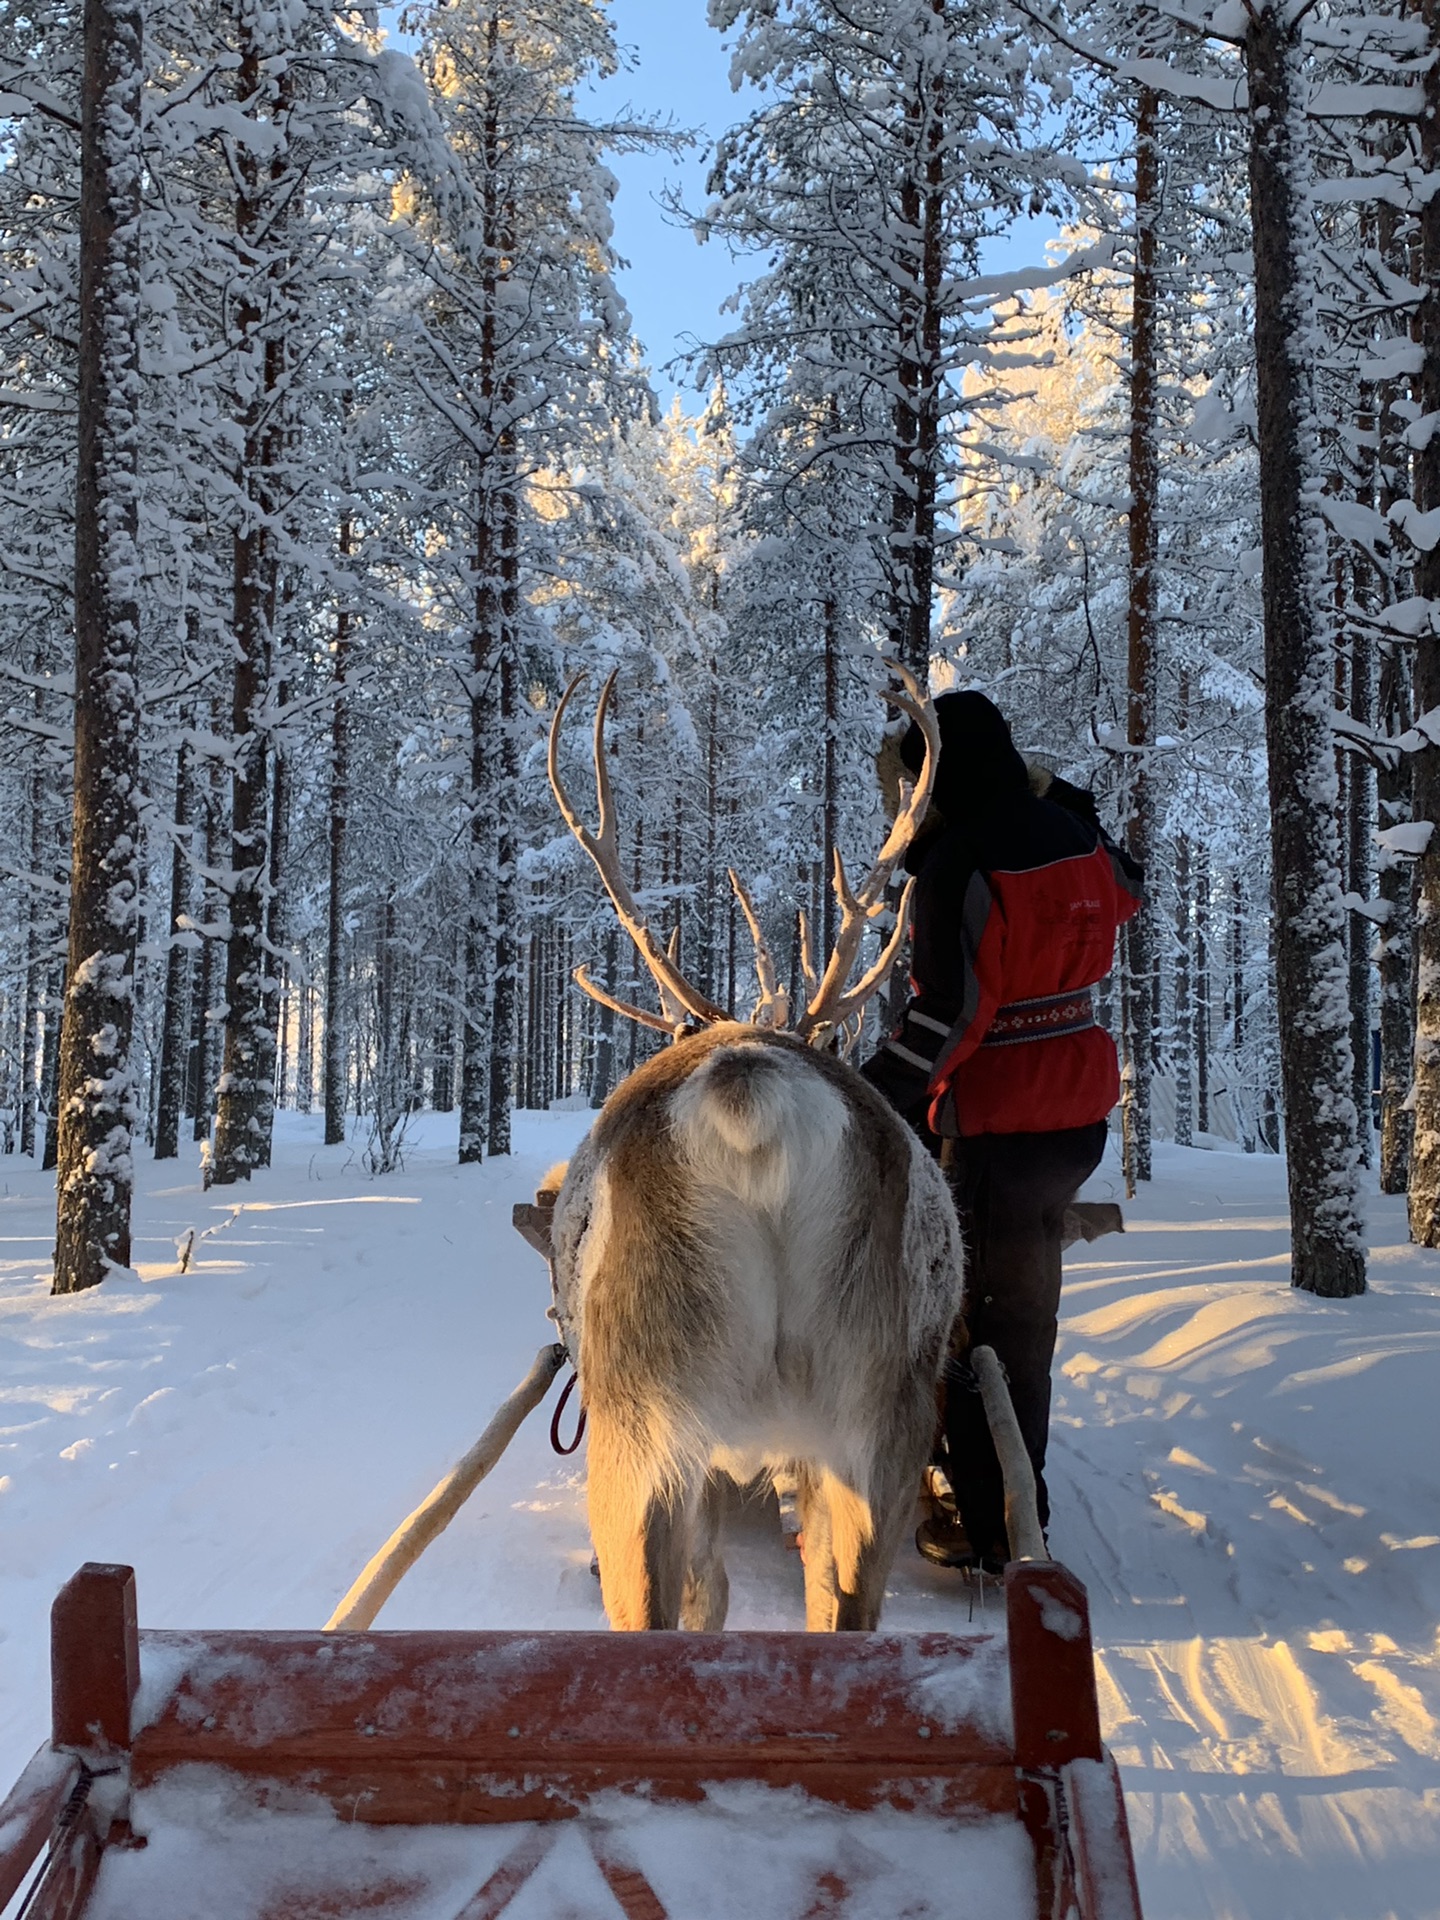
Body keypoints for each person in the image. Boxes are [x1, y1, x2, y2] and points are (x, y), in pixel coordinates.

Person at [862, 691, 1142, 1572]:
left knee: (974, 1320)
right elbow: (1127, 887)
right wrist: (1062, 796)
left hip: (995, 1116)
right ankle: (1013, 1498)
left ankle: (987, 1521)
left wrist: (864, 1099)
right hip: (1077, 1110)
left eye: (914, 783)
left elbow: (945, 1018)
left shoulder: (957, 868)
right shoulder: (1075, 836)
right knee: (1026, 1314)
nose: (908, 802)